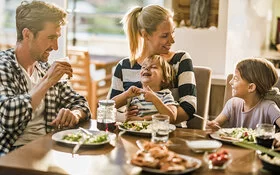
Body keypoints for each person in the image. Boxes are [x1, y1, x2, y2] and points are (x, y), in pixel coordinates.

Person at [0, 1, 91, 155]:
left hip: (48, 147)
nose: (55, 47)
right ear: (27, 34)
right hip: (13, 154)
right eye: (50, 37)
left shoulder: (44, 68)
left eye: (57, 38)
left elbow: (81, 103)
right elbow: (7, 117)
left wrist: (74, 115)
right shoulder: (4, 66)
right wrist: (47, 82)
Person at [108, 5, 197, 124]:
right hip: (132, 133)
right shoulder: (124, 66)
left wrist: (146, 120)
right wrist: (125, 117)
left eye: (172, 33)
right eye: (165, 35)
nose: (172, 40)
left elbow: (189, 108)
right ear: (145, 35)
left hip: (168, 135)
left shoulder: (180, 60)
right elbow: (109, 109)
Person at [207, 58, 280, 131]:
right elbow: (216, 124)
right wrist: (212, 126)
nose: (230, 82)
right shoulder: (232, 104)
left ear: (251, 87)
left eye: (235, 79)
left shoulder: (269, 107)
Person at [112, 55, 178, 123]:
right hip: (133, 132)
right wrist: (126, 95)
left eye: (154, 67)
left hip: (156, 132)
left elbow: (172, 118)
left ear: (164, 78)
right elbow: (111, 106)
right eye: (143, 67)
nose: (146, 68)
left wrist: (154, 99)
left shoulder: (165, 94)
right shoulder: (134, 94)